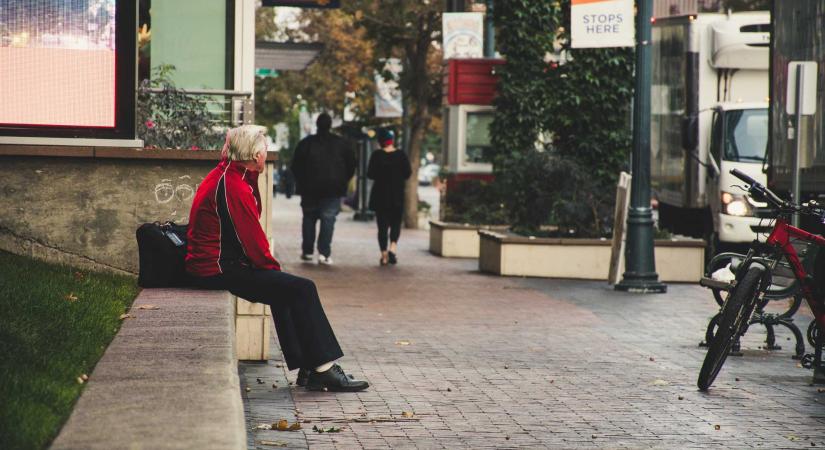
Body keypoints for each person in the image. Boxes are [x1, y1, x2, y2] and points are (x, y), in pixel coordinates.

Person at [185, 125, 368, 392]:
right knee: (301, 288)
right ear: (254, 155)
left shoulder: (233, 175)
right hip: (216, 268)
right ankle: (324, 369)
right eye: (263, 150)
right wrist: (273, 270)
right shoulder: (232, 184)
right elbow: (251, 238)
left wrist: (274, 275)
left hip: (220, 263)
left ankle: (310, 368)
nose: (266, 154)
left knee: (285, 289)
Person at [290, 113, 355, 265]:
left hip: (309, 188)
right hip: (333, 188)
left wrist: (302, 181)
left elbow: (295, 166)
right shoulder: (342, 144)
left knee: (309, 218)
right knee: (328, 219)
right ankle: (324, 253)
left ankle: (307, 251)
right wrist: (343, 179)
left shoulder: (306, 143)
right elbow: (351, 165)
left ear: (317, 125)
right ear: (330, 125)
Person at [367, 129, 411, 266]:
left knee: (382, 227)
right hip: (396, 196)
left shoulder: (376, 155)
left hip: (380, 197)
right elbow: (408, 173)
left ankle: (384, 255)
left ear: (380, 142)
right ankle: (393, 248)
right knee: (396, 224)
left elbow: (370, 174)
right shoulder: (401, 155)